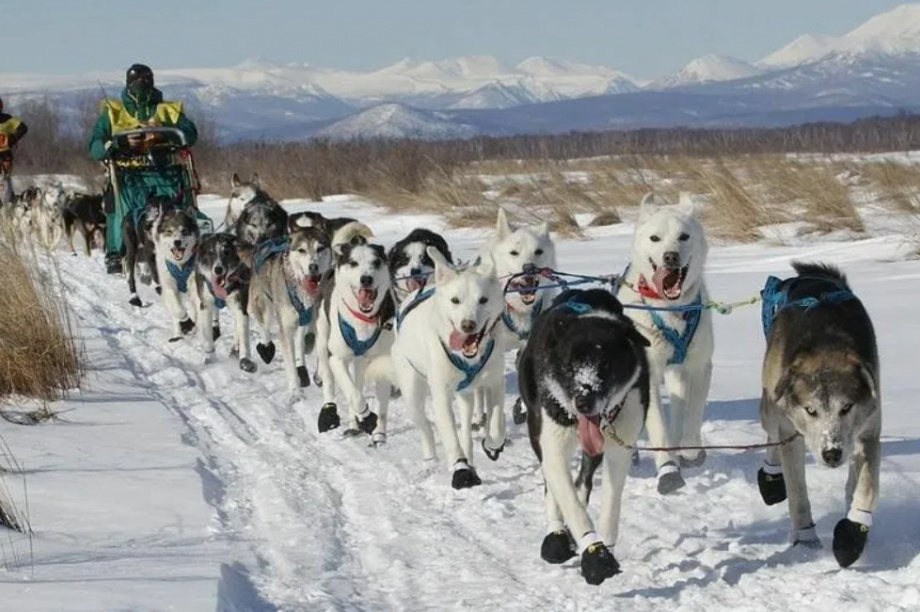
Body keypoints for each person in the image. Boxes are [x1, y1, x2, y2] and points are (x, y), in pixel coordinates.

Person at [88, 63, 198, 274]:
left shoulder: (168, 110)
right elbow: (95, 146)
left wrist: (162, 134)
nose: (142, 84)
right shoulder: (113, 112)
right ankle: (115, 251)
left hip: (165, 172)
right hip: (126, 175)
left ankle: (185, 247)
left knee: (175, 211)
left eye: (146, 80)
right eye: (137, 81)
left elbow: (189, 133)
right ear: (128, 84)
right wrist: (119, 143)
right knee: (118, 209)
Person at [0, 97, 29, 207]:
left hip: (5, 154)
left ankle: (10, 200)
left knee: (5, 179)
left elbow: (23, 128)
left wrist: (13, 138)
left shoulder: (8, 119)